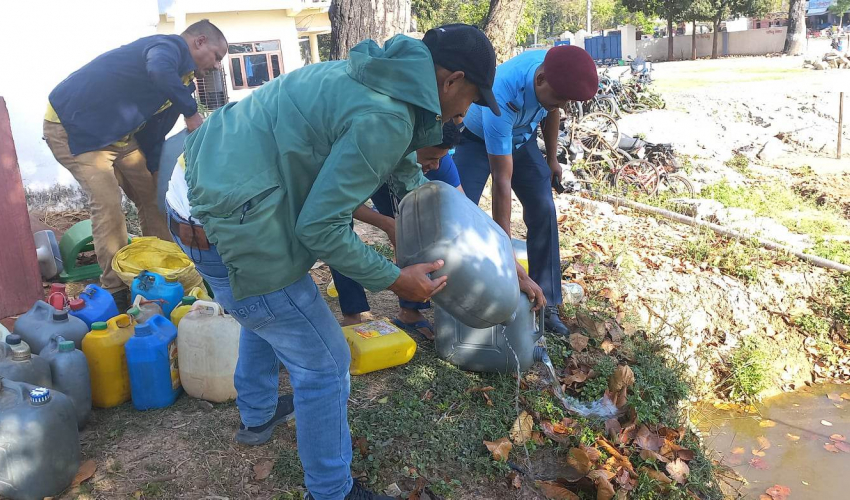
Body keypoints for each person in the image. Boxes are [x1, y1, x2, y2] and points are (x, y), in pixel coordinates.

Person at [166, 24, 498, 500]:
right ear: (451, 80)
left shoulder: (378, 75)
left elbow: (400, 161)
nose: (467, 111)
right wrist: (394, 280)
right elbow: (319, 228)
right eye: (471, 97)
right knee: (324, 361)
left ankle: (257, 416)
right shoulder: (388, 117)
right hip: (228, 220)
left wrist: (416, 209)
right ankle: (332, 491)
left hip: (193, 192)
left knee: (267, 311)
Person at [43, 20, 228, 311]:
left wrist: (155, 173)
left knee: (154, 199)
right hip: (75, 130)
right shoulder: (167, 47)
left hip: (120, 138)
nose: (217, 66)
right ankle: (115, 289)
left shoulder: (181, 81)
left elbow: (154, 135)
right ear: (200, 41)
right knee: (108, 204)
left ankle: (164, 270)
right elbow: (157, 69)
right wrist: (191, 113)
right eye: (218, 56)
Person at [452, 45, 599, 336]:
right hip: (478, 140)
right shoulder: (503, 92)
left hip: (522, 138)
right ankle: (462, 295)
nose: (561, 104)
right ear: (540, 79)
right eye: (559, 98)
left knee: (544, 209)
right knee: (460, 213)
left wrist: (552, 159)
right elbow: (502, 181)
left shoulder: (555, 74)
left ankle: (548, 302)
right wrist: (507, 256)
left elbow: (552, 110)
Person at [331, 121, 464, 338]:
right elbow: (339, 202)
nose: (436, 166)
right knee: (338, 230)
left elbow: (460, 207)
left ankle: (410, 313)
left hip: (395, 172)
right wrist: (385, 223)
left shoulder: (439, 159)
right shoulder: (372, 148)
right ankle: (352, 314)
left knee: (415, 229)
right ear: (413, 145)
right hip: (363, 173)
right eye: (431, 158)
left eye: (441, 158)